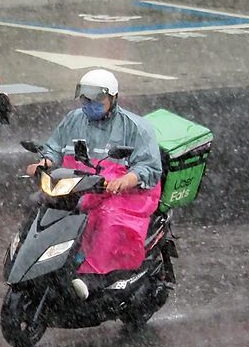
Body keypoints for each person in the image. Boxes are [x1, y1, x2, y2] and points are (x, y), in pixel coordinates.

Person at [24, 69, 163, 300]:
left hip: (127, 193)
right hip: (79, 185)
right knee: (38, 206)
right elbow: (55, 149)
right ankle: (35, 261)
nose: (90, 105)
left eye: (98, 99)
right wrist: (43, 163)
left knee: (107, 218)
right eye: (86, 99)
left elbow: (148, 168)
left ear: (113, 99)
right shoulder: (73, 119)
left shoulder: (135, 127)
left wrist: (123, 181)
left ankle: (97, 275)